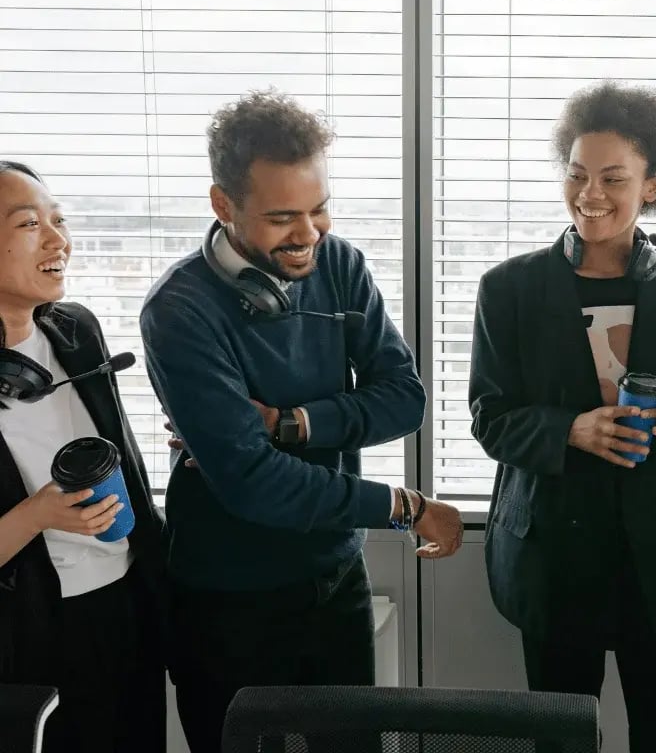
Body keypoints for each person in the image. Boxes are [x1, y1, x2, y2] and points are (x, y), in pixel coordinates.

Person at [139, 90, 464, 753]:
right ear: (223, 205)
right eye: (283, 217)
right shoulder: (179, 310)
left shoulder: (339, 264)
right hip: (227, 599)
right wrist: (403, 506)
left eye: (318, 209)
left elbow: (404, 399)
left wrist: (292, 424)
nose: (309, 234)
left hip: (335, 578)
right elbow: (254, 482)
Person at [468, 81, 656, 752]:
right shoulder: (509, 288)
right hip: (552, 551)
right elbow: (489, 417)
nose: (590, 194)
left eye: (613, 178)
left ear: (651, 185)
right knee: (561, 741)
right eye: (577, 174)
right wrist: (570, 429)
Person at [0, 161, 167, 753]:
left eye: (59, 220)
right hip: (30, 635)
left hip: (123, 604)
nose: (58, 240)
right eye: (29, 224)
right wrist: (37, 515)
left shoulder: (77, 330)